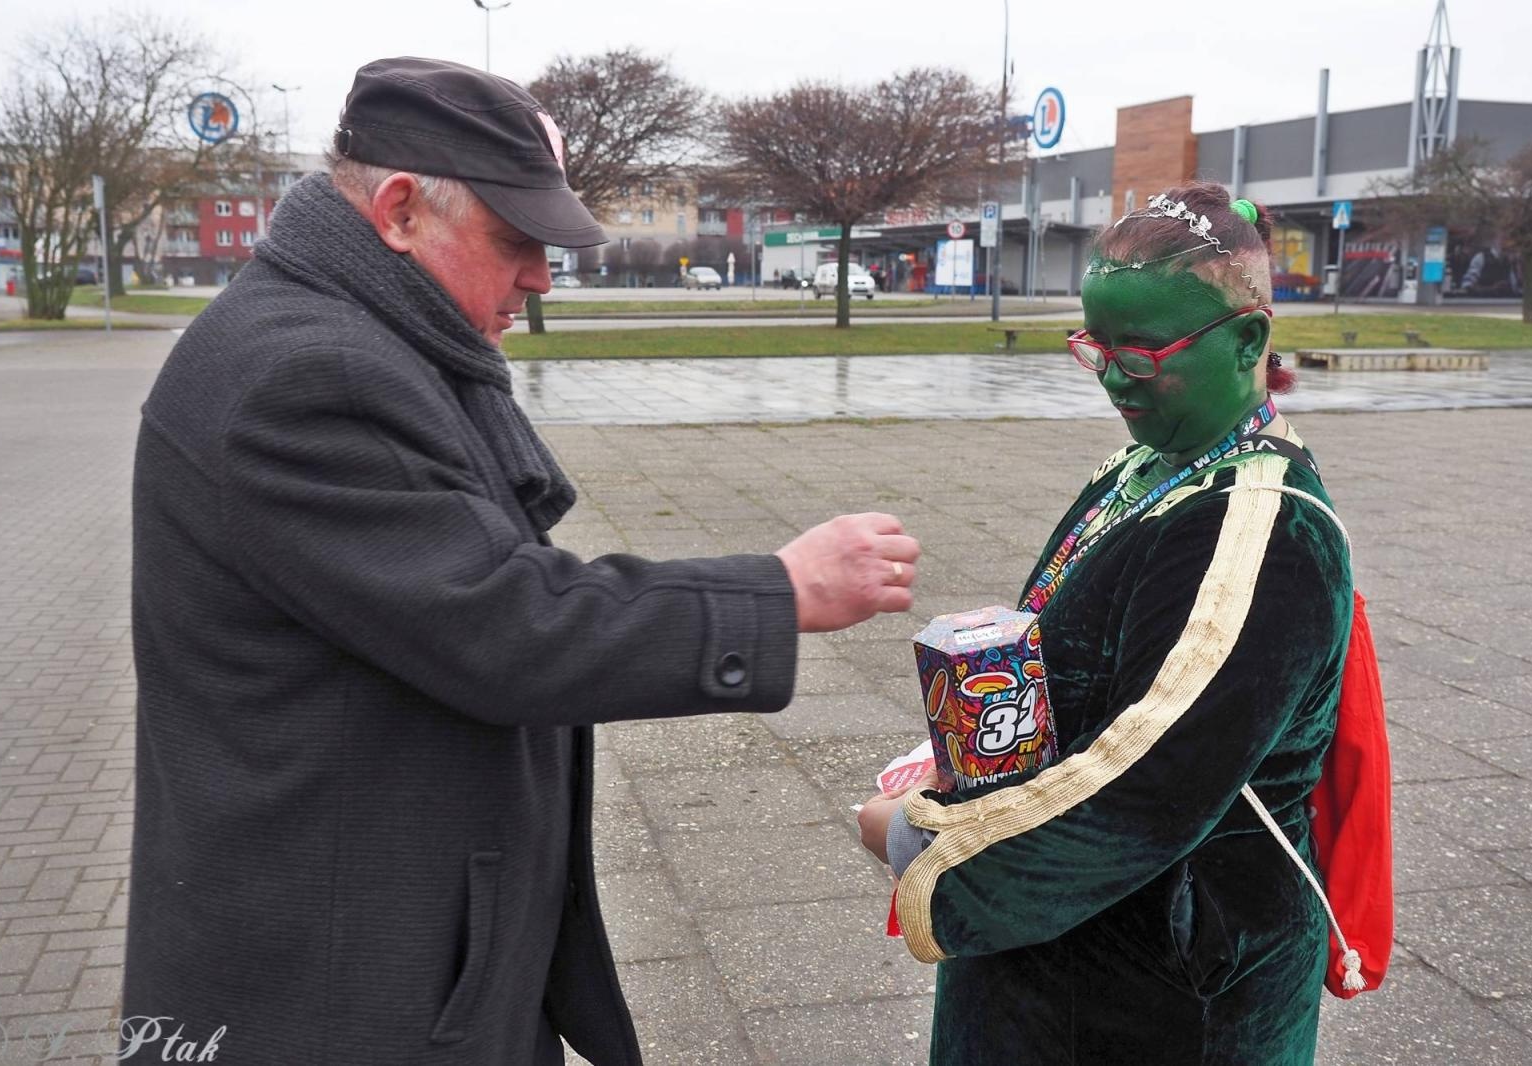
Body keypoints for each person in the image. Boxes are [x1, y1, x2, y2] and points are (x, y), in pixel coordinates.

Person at [123, 58, 920, 1066]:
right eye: (515, 241)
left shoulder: (364, 333)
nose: (542, 277)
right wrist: (780, 590)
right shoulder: (307, 371)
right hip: (343, 982)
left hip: (408, 933)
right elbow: (500, 619)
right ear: (403, 209)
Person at [857, 181, 1353, 1065]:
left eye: (1145, 350)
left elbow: (1142, 790)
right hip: (1082, 957)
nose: (1115, 375)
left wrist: (916, 840)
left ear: (1248, 339)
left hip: (1164, 987)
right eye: (1098, 345)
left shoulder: (1259, 525)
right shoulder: (1158, 458)